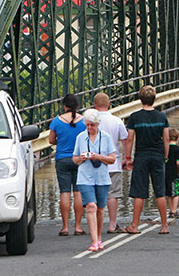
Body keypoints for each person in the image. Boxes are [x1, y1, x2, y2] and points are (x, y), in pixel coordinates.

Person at [125, 85, 171, 235]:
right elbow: (166, 138)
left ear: (140, 99)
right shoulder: (161, 116)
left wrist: (127, 157)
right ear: (154, 99)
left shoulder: (135, 117)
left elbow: (130, 138)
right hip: (158, 155)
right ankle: (164, 226)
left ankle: (135, 225)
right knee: (160, 191)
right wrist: (165, 155)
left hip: (141, 156)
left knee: (140, 191)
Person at [72, 109, 117, 252]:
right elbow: (74, 159)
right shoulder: (80, 137)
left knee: (100, 209)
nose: (90, 128)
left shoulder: (106, 138)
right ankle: (94, 241)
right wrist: (82, 158)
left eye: (92, 125)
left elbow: (112, 159)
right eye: (87, 125)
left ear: (98, 124)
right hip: (85, 177)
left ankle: (98, 237)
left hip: (102, 178)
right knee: (91, 206)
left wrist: (98, 156)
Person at [48, 94, 86, 236]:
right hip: (79, 159)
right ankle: (78, 226)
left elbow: (51, 140)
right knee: (78, 192)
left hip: (62, 160)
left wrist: (62, 141)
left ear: (64, 106)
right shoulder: (83, 122)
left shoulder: (56, 122)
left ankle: (65, 227)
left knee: (64, 192)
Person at [93, 92, 129, 234]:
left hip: (94, 164)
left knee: (95, 195)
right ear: (109, 105)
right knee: (113, 195)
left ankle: (96, 223)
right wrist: (127, 157)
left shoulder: (90, 121)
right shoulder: (117, 121)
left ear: (94, 105)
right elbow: (125, 139)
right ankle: (112, 224)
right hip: (113, 163)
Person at [165, 128, 179, 218]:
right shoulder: (177, 149)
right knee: (176, 193)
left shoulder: (165, 149)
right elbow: (178, 162)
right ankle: (174, 211)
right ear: (178, 138)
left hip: (165, 174)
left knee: (169, 193)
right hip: (174, 173)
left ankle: (171, 209)